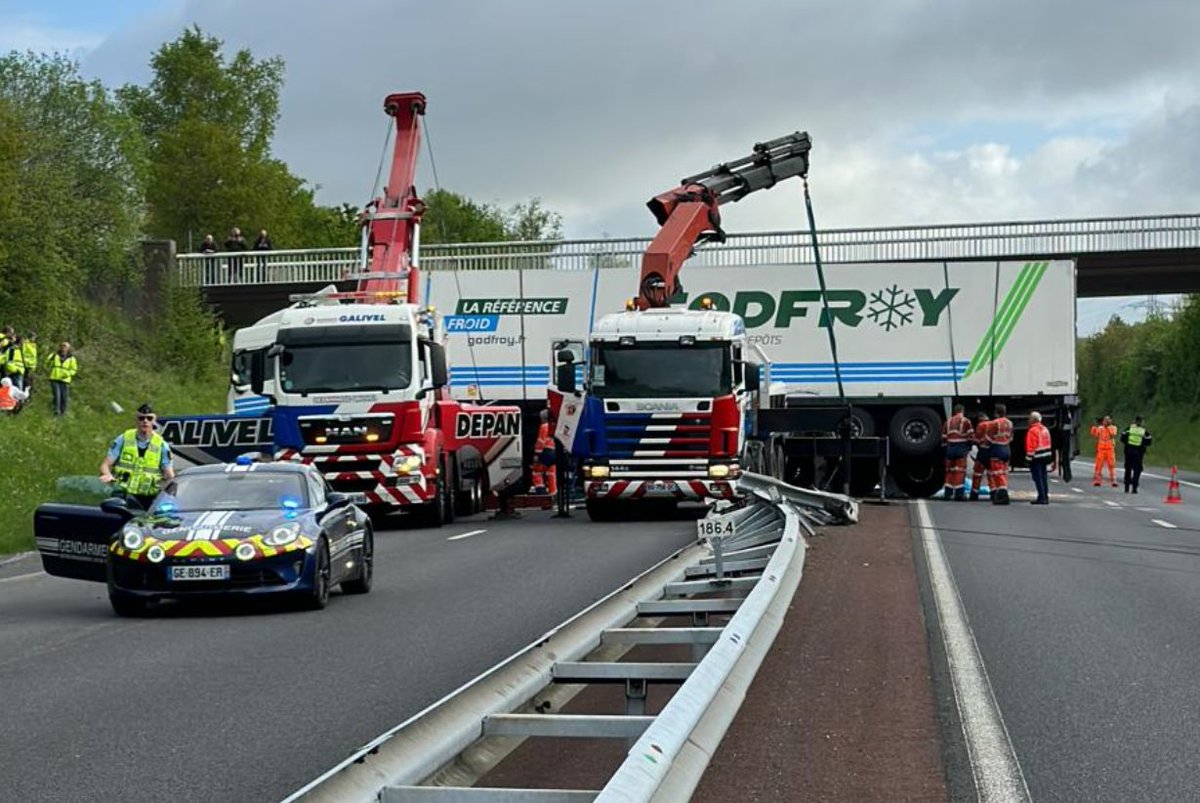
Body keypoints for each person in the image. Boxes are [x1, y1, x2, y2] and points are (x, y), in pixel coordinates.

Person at [99, 403, 175, 511]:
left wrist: (166, 495)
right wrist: (108, 476)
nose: (145, 421)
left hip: (149, 497)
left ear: (154, 420)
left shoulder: (161, 445)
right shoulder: (124, 438)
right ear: (136, 420)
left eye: (149, 418)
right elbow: (105, 465)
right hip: (123, 495)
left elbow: (169, 475)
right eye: (141, 418)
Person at [940, 403, 973, 500]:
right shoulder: (966, 421)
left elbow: (943, 437)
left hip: (950, 448)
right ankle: (959, 494)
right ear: (962, 411)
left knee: (949, 471)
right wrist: (970, 446)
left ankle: (948, 493)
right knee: (960, 471)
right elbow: (970, 436)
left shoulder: (948, 422)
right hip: (961, 448)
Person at [987, 403, 1014, 505]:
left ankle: (1003, 495)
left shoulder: (994, 423)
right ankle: (1001, 493)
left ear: (996, 412)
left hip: (997, 449)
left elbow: (988, 438)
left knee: (997, 473)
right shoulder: (1010, 423)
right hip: (1007, 448)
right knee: (1003, 472)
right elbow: (1011, 437)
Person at [1026, 411, 1054, 505]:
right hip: (1046, 455)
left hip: (1037, 456)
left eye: (1029, 418)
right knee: (1044, 477)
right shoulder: (1045, 429)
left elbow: (1031, 446)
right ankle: (1045, 496)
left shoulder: (1032, 430)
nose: (1028, 420)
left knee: (1038, 478)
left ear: (1034, 420)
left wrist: (1028, 459)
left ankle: (1041, 497)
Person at [1120, 415, 1153, 494]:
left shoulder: (1129, 429)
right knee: (1137, 470)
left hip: (1128, 451)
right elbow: (1149, 440)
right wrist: (1142, 445)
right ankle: (1134, 488)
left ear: (1134, 421)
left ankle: (1126, 487)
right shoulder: (1143, 431)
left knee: (1128, 469)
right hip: (1138, 452)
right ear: (1141, 422)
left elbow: (1122, 438)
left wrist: (1128, 444)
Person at [530, 408, 557, 496]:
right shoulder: (554, 426)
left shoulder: (544, 426)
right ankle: (553, 493)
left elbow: (541, 442)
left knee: (536, 471)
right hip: (554, 452)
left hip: (545, 452)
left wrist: (537, 454)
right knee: (551, 473)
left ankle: (540, 491)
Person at [46, 341, 78, 416]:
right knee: (57, 396)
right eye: (62, 346)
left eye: (65, 346)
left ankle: (63, 413)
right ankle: (56, 412)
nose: (63, 348)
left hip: (65, 380)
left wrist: (67, 374)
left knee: (64, 397)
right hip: (55, 378)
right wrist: (50, 362)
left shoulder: (72, 358)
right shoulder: (54, 355)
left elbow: (74, 369)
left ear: (68, 348)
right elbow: (47, 365)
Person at [969, 411, 992, 501]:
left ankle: (974, 494)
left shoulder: (980, 425)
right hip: (991, 452)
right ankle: (993, 493)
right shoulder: (993, 424)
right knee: (991, 474)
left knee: (977, 474)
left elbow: (976, 439)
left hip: (982, 452)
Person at [1091, 414, 1118, 487]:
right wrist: (1095, 427)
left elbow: (1113, 434)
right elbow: (1094, 434)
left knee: (1111, 465)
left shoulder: (1113, 427)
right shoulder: (1100, 428)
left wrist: (1108, 427)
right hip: (1101, 449)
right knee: (1099, 465)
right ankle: (1098, 480)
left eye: (1108, 420)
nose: (1106, 421)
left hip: (1110, 449)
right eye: (1105, 420)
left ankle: (1113, 480)